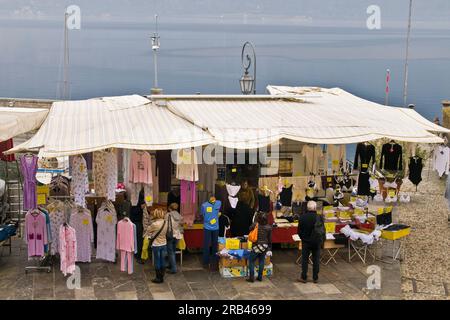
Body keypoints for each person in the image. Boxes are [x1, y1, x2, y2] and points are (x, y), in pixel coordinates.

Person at [297, 201, 325, 283]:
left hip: (306, 242)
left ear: (307, 208)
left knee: (305, 260)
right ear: (315, 208)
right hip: (316, 241)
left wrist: (303, 238)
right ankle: (315, 278)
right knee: (316, 260)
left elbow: (299, 231)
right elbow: (322, 231)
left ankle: (304, 277)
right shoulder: (319, 217)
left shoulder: (302, 217)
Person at [247, 212, 272, 283]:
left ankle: (251, 278)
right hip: (264, 246)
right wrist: (269, 248)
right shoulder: (269, 227)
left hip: (256, 245)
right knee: (261, 261)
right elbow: (270, 239)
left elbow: (249, 228)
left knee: (251, 261)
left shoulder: (255, 224)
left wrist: (255, 223)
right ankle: (260, 277)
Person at [145, 208, 168, 283]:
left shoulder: (154, 224)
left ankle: (158, 278)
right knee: (163, 260)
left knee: (157, 261)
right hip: (164, 243)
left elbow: (148, 230)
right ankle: (162, 276)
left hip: (156, 244)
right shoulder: (166, 222)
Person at [201, 197, 222, 270]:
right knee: (209, 245)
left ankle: (212, 262)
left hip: (213, 228)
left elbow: (202, 215)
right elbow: (203, 214)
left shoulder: (218, 203)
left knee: (212, 245)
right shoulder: (204, 205)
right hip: (209, 227)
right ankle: (208, 262)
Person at [166, 203, 183, 274]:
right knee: (173, 251)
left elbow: (165, 224)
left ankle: (173, 268)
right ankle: (171, 265)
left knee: (170, 252)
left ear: (170, 208)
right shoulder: (179, 215)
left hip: (170, 235)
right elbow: (181, 226)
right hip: (178, 235)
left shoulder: (168, 215)